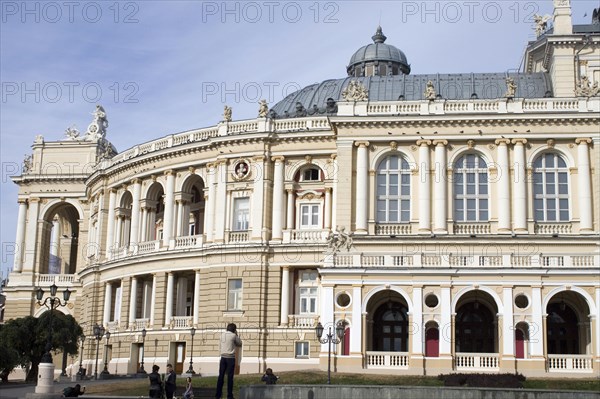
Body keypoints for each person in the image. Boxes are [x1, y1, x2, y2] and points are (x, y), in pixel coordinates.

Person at [215, 323, 243, 399]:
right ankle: (229, 395)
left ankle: (218, 395)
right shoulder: (233, 336)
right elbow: (240, 343)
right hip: (230, 358)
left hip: (223, 357)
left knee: (221, 376)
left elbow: (219, 346)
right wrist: (236, 335)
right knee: (230, 378)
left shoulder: (222, 335)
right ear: (234, 329)